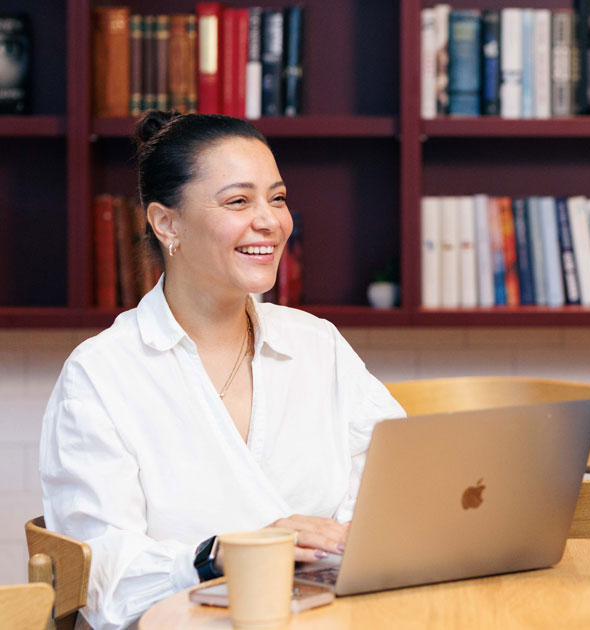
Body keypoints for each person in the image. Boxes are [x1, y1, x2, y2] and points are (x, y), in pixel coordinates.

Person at [40, 111, 406, 630]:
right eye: (239, 201)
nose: (271, 221)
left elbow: (396, 482)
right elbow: (103, 579)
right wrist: (216, 555)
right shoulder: (101, 375)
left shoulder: (316, 343)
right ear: (166, 223)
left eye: (276, 198)